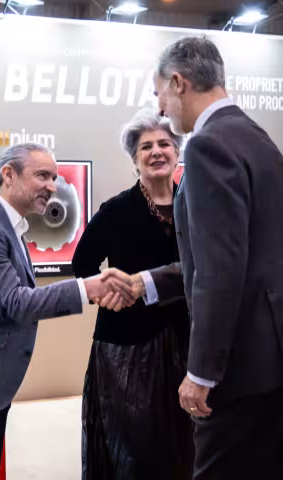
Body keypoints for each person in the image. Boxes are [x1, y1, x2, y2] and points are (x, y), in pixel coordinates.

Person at [103, 37, 283, 480]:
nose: (161, 107)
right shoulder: (257, 139)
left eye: (159, 93)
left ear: (179, 83)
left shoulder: (206, 146)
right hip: (271, 361)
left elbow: (220, 270)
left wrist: (202, 373)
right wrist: (146, 282)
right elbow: (241, 256)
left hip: (239, 368)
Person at [0, 143, 129, 480]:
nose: (52, 186)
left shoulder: (5, 225)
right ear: (9, 175)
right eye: (42, 176)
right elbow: (15, 303)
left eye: (54, 178)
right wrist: (86, 288)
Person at [72, 109, 194, 480]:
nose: (156, 152)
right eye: (146, 146)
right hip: (127, 351)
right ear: (134, 159)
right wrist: (106, 294)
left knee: (184, 445)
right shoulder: (117, 210)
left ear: (177, 152)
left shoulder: (194, 206)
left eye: (164, 144)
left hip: (186, 343)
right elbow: (82, 263)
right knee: (134, 450)